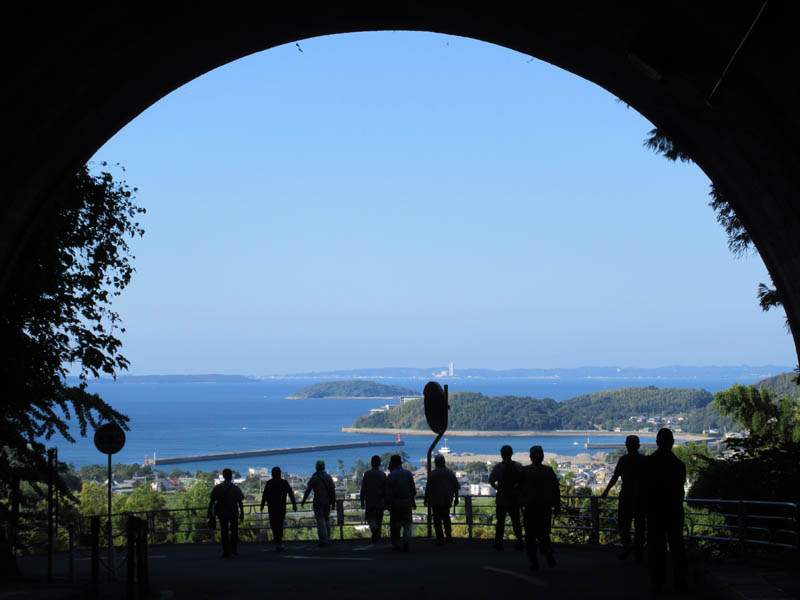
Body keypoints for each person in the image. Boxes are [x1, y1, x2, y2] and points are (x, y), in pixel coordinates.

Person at [645, 428, 688, 592]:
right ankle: (679, 580)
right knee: (677, 546)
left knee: (656, 547)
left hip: (654, 511)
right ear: (672, 443)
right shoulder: (679, 465)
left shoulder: (649, 463)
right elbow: (680, 491)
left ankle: (657, 581)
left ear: (657, 442)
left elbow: (645, 490)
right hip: (674, 510)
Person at [601, 435, 647, 560]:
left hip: (626, 495)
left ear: (626, 446)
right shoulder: (644, 460)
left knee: (623, 524)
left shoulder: (623, 460)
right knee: (640, 525)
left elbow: (615, 477)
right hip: (641, 496)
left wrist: (606, 491)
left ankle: (628, 545)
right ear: (638, 446)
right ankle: (638, 551)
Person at [520, 446, 560, 571]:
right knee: (544, 534)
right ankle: (548, 555)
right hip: (545, 507)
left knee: (530, 537)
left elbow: (520, 490)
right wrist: (557, 506)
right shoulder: (548, 471)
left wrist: (521, 504)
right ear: (542, 457)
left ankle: (534, 562)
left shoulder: (525, 471)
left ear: (530, 457)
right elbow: (556, 490)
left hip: (530, 508)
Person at [488, 445, 524, 551]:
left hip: (502, 499)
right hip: (514, 499)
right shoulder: (518, 466)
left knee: (500, 522)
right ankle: (519, 542)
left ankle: (498, 543)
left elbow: (491, 480)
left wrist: (498, 488)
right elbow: (523, 481)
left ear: (502, 455)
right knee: (516, 522)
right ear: (511, 454)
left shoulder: (498, 467)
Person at [208, 468, 245, 558]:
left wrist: (209, 512)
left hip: (222, 513)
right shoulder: (236, 488)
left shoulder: (218, 488)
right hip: (233, 513)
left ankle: (226, 551)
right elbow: (240, 502)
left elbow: (212, 502)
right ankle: (234, 550)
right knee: (234, 532)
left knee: (224, 532)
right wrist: (242, 513)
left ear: (223, 476)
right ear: (231, 476)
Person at [424, 454, 460, 545]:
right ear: (444, 462)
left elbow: (428, 488)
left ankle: (440, 539)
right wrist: (456, 498)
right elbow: (456, 487)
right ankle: (449, 537)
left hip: (435, 501)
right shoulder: (450, 472)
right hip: (447, 500)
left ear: (436, 463)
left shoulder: (432, 474)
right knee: (446, 519)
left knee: (437, 520)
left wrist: (425, 499)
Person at [260, 466, 297, 551]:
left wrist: (262, 505)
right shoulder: (284, 483)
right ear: (280, 473)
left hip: (272, 507)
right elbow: (291, 494)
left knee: (274, 524)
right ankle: (279, 541)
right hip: (281, 507)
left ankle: (277, 541)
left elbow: (264, 495)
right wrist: (294, 504)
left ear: (272, 474)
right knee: (280, 524)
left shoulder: (269, 483)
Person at [385, 454, 416, 552]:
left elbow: (388, 492)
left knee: (395, 524)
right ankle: (406, 541)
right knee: (407, 523)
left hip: (395, 502)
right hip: (407, 501)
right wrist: (412, 501)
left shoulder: (391, 475)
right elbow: (413, 490)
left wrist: (388, 504)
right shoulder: (408, 473)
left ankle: (396, 544)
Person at [301, 460, 336, 546]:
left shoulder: (314, 478)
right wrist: (333, 503)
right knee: (326, 519)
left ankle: (323, 540)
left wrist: (303, 501)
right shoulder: (328, 477)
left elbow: (308, 490)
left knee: (320, 520)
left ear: (316, 467)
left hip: (318, 501)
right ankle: (328, 537)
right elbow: (332, 491)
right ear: (324, 467)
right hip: (327, 502)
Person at [360, 455, 387, 543]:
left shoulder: (367, 474)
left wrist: (362, 501)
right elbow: (386, 490)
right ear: (379, 463)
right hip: (380, 501)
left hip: (370, 500)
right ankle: (377, 537)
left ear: (371, 463)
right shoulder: (383, 474)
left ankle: (374, 531)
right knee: (379, 520)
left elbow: (363, 489)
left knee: (369, 517)